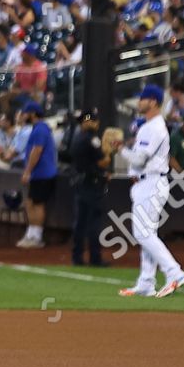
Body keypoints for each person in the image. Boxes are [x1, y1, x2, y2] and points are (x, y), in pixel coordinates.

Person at [116, 85, 184, 297]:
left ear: (154, 102)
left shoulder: (153, 127)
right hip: (147, 183)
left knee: (143, 233)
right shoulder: (149, 126)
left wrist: (121, 149)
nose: (139, 102)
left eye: (144, 99)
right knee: (147, 234)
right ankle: (146, 282)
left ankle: (174, 272)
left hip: (151, 183)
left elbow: (139, 159)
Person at [68, 109, 109, 267]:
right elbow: (101, 162)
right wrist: (108, 155)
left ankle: (77, 257)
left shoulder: (77, 138)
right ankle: (95, 258)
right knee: (94, 222)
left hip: (80, 183)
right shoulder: (92, 139)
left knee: (80, 222)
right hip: (92, 185)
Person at [16, 100, 57, 248]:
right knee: (31, 203)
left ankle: (36, 237)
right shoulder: (39, 128)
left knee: (37, 204)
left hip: (42, 174)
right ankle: (31, 233)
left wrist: (27, 171)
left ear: (33, 114)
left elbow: (37, 150)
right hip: (39, 173)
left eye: (25, 113)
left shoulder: (40, 129)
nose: (23, 116)